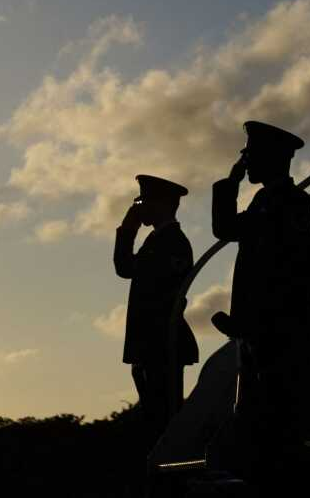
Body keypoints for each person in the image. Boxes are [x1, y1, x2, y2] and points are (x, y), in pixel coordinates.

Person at [210, 121, 310, 487]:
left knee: (273, 422)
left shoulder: (293, 203)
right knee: (255, 417)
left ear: (273, 158)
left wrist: (268, 322)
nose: (244, 159)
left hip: (277, 331)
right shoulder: (264, 201)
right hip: (259, 331)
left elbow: (295, 271)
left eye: (251, 154)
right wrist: (231, 183)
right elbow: (225, 228)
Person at [113, 175, 199, 455]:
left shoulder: (173, 242)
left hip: (162, 345)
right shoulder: (158, 240)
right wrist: (128, 229)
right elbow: (126, 268)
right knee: (154, 423)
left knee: (163, 423)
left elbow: (133, 272)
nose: (138, 206)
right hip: (150, 346)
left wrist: (128, 230)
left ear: (162, 204)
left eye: (142, 201)